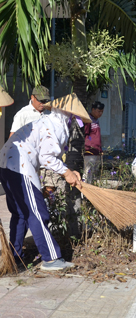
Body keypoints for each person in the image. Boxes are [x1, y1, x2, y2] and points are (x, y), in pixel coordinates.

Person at [0, 93, 91, 271]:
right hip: (20, 166)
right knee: (37, 213)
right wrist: (66, 173)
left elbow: (47, 155)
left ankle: (15, 257)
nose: (74, 118)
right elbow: (47, 157)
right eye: (73, 115)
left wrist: (70, 171)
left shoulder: (49, 122)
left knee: (20, 213)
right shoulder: (55, 126)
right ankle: (51, 259)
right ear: (67, 113)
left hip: (7, 164)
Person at [83, 101, 105, 183]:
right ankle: (84, 193)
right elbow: (86, 134)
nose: (100, 113)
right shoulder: (88, 119)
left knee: (94, 174)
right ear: (93, 109)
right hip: (90, 151)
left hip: (97, 151)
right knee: (87, 173)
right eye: (99, 111)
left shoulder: (96, 120)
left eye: (102, 111)